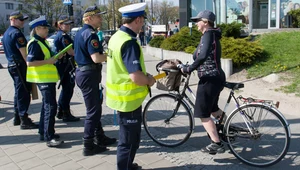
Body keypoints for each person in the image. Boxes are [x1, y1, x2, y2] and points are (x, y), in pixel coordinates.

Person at [106, 3, 156, 170]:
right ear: (138, 19)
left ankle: (128, 164)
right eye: (142, 21)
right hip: (129, 100)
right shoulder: (129, 43)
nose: (143, 25)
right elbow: (135, 76)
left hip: (121, 98)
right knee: (128, 140)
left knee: (130, 137)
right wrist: (149, 80)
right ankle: (124, 167)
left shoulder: (116, 37)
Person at [180, 10, 226, 155]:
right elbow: (198, 55)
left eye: (198, 21)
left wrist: (188, 69)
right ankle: (227, 128)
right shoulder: (209, 35)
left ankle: (216, 143)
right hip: (216, 77)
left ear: (205, 22)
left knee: (203, 113)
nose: (196, 24)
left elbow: (202, 56)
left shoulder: (208, 35)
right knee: (213, 109)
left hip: (210, 78)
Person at [74, 6, 116, 156]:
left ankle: (100, 137)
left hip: (85, 73)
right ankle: (88, 145)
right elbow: (96, 58)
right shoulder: (91, 34)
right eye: (98, 16)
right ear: (89, 18)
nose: (101, 18)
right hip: (89, 74)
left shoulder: (80, 32)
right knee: (93, 111)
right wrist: (111, 56)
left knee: (95, 107)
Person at [26, 15, 64, 147]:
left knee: (46, 106)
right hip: (43, 80)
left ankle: (43, 131)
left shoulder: (42, 42)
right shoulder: (35, 43)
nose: (47, 30)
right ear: (36, 29)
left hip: (46, 79)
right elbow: (30, 63)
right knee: (50, 107)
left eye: (46, 28)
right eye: (44, 28)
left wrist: (54, 57)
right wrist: (49, 61)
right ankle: (49, 136)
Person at [1, 11, 38, 129]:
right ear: (13, 20)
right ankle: (24, 119)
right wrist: (32, 65)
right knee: (24, 93)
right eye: (21, 20)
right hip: (19, 66)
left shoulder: (7, 33)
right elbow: (25, 54)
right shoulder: (17, 34)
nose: (23, 22)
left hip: (12, 66)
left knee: (18, 91)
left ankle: (18, 117)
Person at [54, 15, 80, 122]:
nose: (68, 26)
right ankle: (65, 112)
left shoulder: (62, 35)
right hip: (65, 65)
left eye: (69, 24)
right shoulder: (63, 36)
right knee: (68, 89)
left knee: (66, 88)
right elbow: (71, 52)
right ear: (60, 25)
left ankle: (61, 111)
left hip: (65, 64)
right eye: (66, 24)